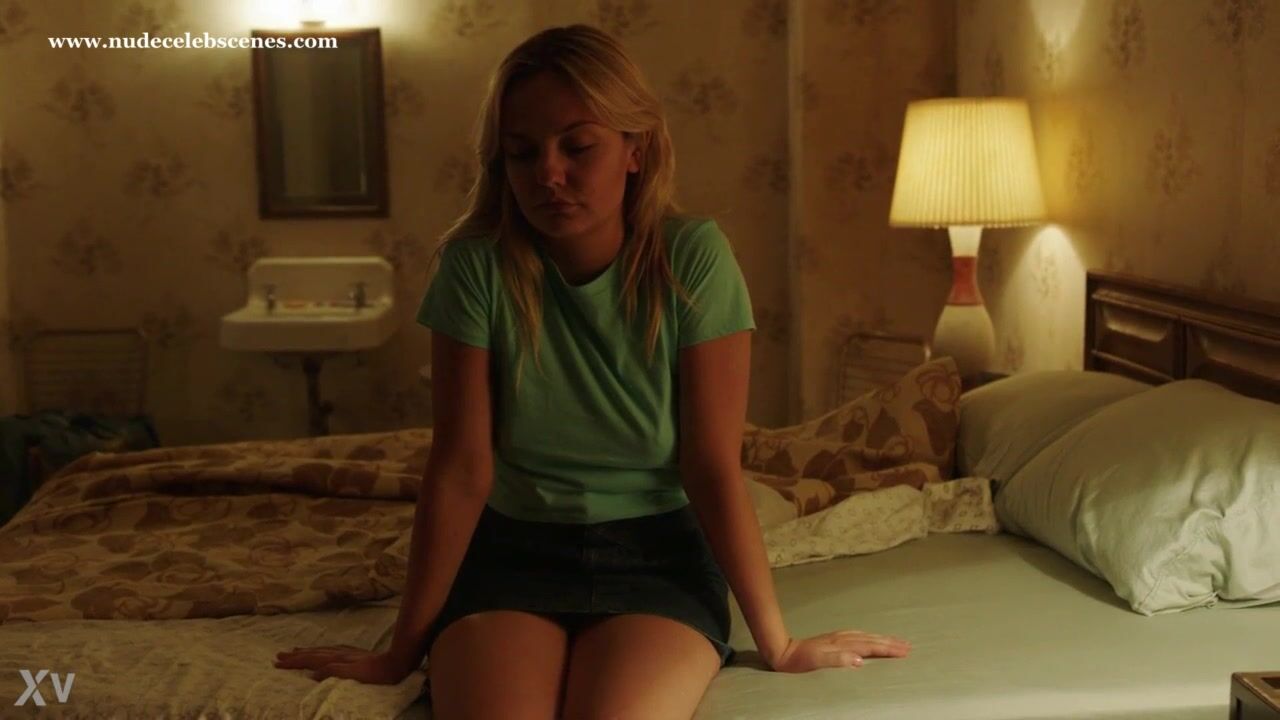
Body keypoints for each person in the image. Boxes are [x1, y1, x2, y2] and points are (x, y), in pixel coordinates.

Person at [274, 24, 910, 719]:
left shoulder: (691, 257)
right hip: (512, 554)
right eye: (522, 152)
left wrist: (777, 642)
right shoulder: (476, 267)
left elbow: (710, 466)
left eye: (577, 147)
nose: (548, 174)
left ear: (636, 149)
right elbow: (460, 469)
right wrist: (400, 651)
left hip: (657, 556)